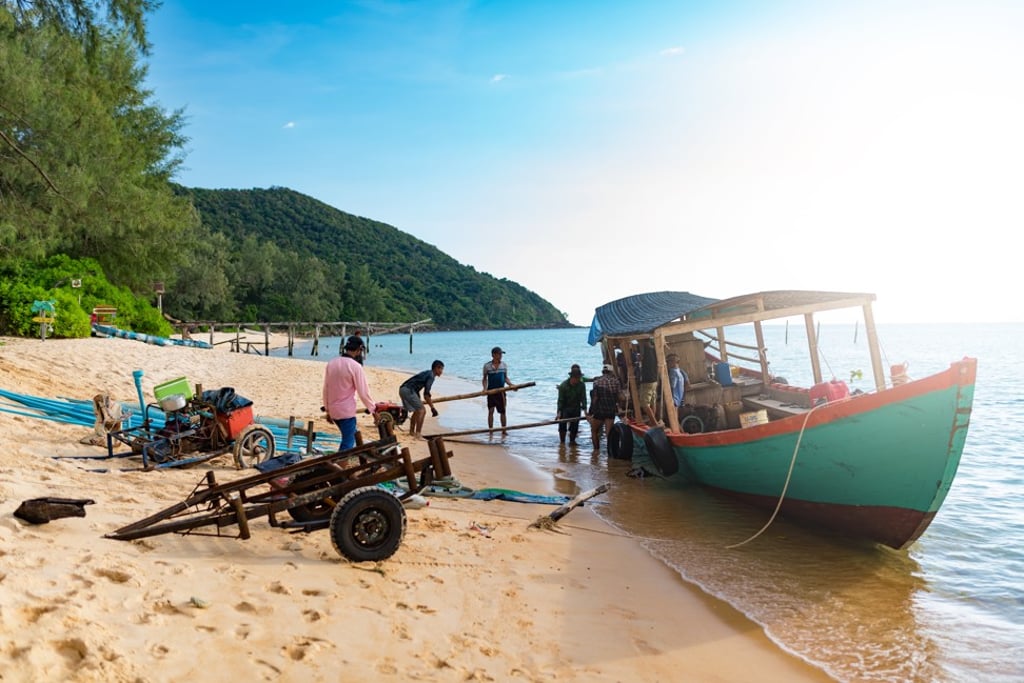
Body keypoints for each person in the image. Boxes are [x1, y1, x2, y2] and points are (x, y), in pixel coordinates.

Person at [322, 335, 378, 450]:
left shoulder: (332, 363)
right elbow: (363, 392)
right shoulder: (355, 366)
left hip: (333, 409)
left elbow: (326, 389)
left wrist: (328, 410)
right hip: (346, 411)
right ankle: (339, 467)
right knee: (348, 443)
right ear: (358, 350)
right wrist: (373, 410)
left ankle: (350, 460)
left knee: (352, 435)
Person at [400, 360, 444, 437]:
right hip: (408, 390)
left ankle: (412, 432)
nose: (442, 371)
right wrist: (432, 408)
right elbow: (426, 394)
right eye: (441, 369)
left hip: (403, 389)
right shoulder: (431, 376)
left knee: (417, 411)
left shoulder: (428, 373)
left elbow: (418, 385)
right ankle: (418, 434)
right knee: (422, 410)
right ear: (436, 368)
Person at [587, 363, 621, 453]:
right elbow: (619, 396)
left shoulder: (597, 382)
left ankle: (596, 451)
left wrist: (590, 412)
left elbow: (595, 398)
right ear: (611, 372)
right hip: (611, 410)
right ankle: (610, 453)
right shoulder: (616, 382)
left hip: (599, 411)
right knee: (608, 433)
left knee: (594, 431)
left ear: (603, 372)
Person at [482, 346, 514, 434]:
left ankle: (504, 430)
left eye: (501, 354)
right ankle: (491, 430)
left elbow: (506, 378)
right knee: (491, 411)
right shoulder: (487, 366)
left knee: (503, 411)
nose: (500, 356)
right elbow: (485, 379)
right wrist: (484, 389)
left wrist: (511, 385)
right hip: (491, 391)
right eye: (499, 354)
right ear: (493, 355)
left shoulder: (504, 365)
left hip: (501, 392)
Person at [556, 366, 588, 445]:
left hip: (576, 408)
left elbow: (583, 398)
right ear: (572, 377)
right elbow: (560, 400)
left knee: (574, 427)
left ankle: (572, 442)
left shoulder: (581, 385)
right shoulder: (563, 386)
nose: (578, 379)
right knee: (562, 426)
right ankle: (562, 443)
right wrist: (559, 413)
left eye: (579, 378)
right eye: (577, 378)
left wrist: (585, 411)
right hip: (565, 408)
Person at [638, 338, 660, 426]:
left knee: (644, 404)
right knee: (652, 402)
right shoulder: (654, 350)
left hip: (647, 380)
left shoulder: (645, 349)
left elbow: (641, 357)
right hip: (654, 380)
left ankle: (654, 423)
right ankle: (652, 421)